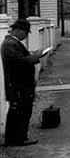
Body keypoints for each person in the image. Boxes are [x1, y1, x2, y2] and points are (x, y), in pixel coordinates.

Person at [2, 18, 45, 147]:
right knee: (22, 111)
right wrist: (35, 57)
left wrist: (32, 55)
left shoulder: (11, 43)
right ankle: (19, 139)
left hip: (19, 84)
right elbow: (20, 62)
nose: (26, 35)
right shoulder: (10, 44)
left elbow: (19, 59)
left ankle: (13, 139)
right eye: (26, 32)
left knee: (17, 111)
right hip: (19, 85)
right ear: (18, 30)